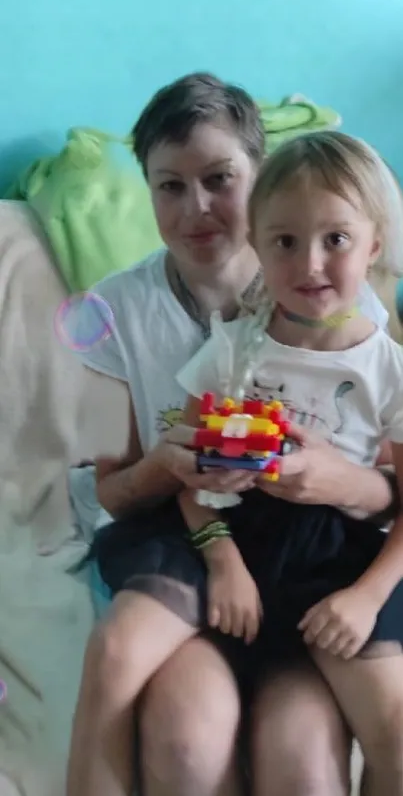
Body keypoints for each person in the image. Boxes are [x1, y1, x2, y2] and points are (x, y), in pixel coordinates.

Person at [67, 75, 396, 796]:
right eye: (168, 185)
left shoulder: (335, 293)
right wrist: (169, 468)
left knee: (308, 762)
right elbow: (104, 485)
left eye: (219, 178)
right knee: (162, 707)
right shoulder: (113, 312)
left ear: (259, 174)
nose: (197, 208)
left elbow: (382, 479)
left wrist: (343, 484)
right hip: (188, 538)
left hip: (313, 555)